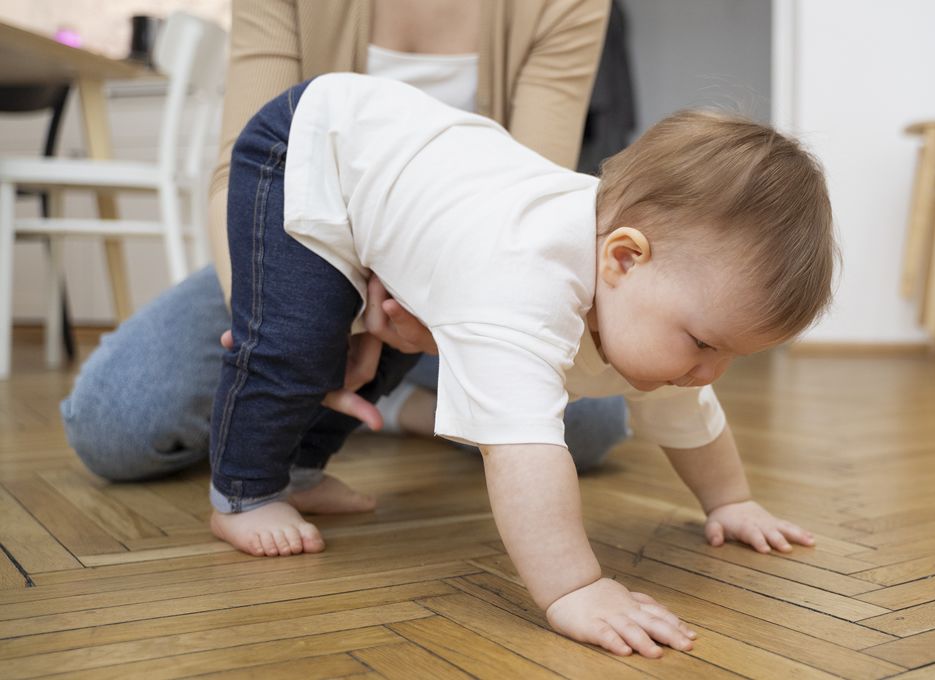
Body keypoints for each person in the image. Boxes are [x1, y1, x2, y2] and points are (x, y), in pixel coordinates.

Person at [208, 73, 835, 658]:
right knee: (296, 345)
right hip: (313, 147)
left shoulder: (649, 294)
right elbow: (519, 451)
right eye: (703, 343)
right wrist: (574, 587)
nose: (709, 372)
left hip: (415, 183)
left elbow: (687, 412)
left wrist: (730, 500)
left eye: (731, 354)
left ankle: (300, 469)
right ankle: (242, 493)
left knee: (392, 344)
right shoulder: (521, 284)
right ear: (621, 259)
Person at [59, 0, 629, 482]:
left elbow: (524, 207)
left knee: (592, 423)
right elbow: (239, 171)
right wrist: (283, 331)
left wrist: (400, 315)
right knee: (116, 421)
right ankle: (372, 399)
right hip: (292, 247)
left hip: (464, 281)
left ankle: (387, 400)